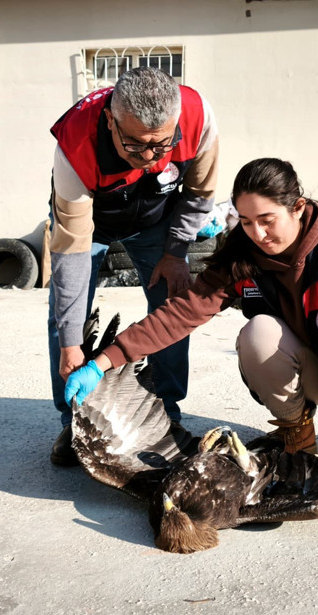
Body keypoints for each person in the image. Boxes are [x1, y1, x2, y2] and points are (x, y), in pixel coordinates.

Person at [64, 157, 318, 475]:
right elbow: (182, 313)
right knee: (258, 333)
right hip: (309, 362)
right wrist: (103, 362)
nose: (257, 233)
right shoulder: (243, 253)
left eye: (267, 220)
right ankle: (296, 430)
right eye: (246, 220)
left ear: (299, 208)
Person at [46, 67, 219, 466]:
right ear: (110, 120)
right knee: (65, 321)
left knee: (172, 303)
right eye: (136, 146)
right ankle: (71, 420)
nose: (148, 158)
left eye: (161, 146)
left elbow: (199, 194)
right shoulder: (76, 145)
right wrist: (71, 342)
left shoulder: (198, 117)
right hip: (93, 221)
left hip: (158, 218)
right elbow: (72, 247)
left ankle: (165, 411)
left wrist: (176, 252)